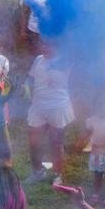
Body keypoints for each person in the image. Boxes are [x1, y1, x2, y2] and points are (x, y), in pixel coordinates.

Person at [25, 42, 74, 184]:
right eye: (43, 44)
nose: (44, 47)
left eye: (49, 45)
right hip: (38, 106)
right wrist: (26, 87)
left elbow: (75, 83)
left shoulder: (66, 61)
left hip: (58, 106)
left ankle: (58, 174)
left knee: (56, 142)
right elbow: (30, 78)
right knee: (34, 142)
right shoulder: (38, 60)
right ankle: (37, 172)